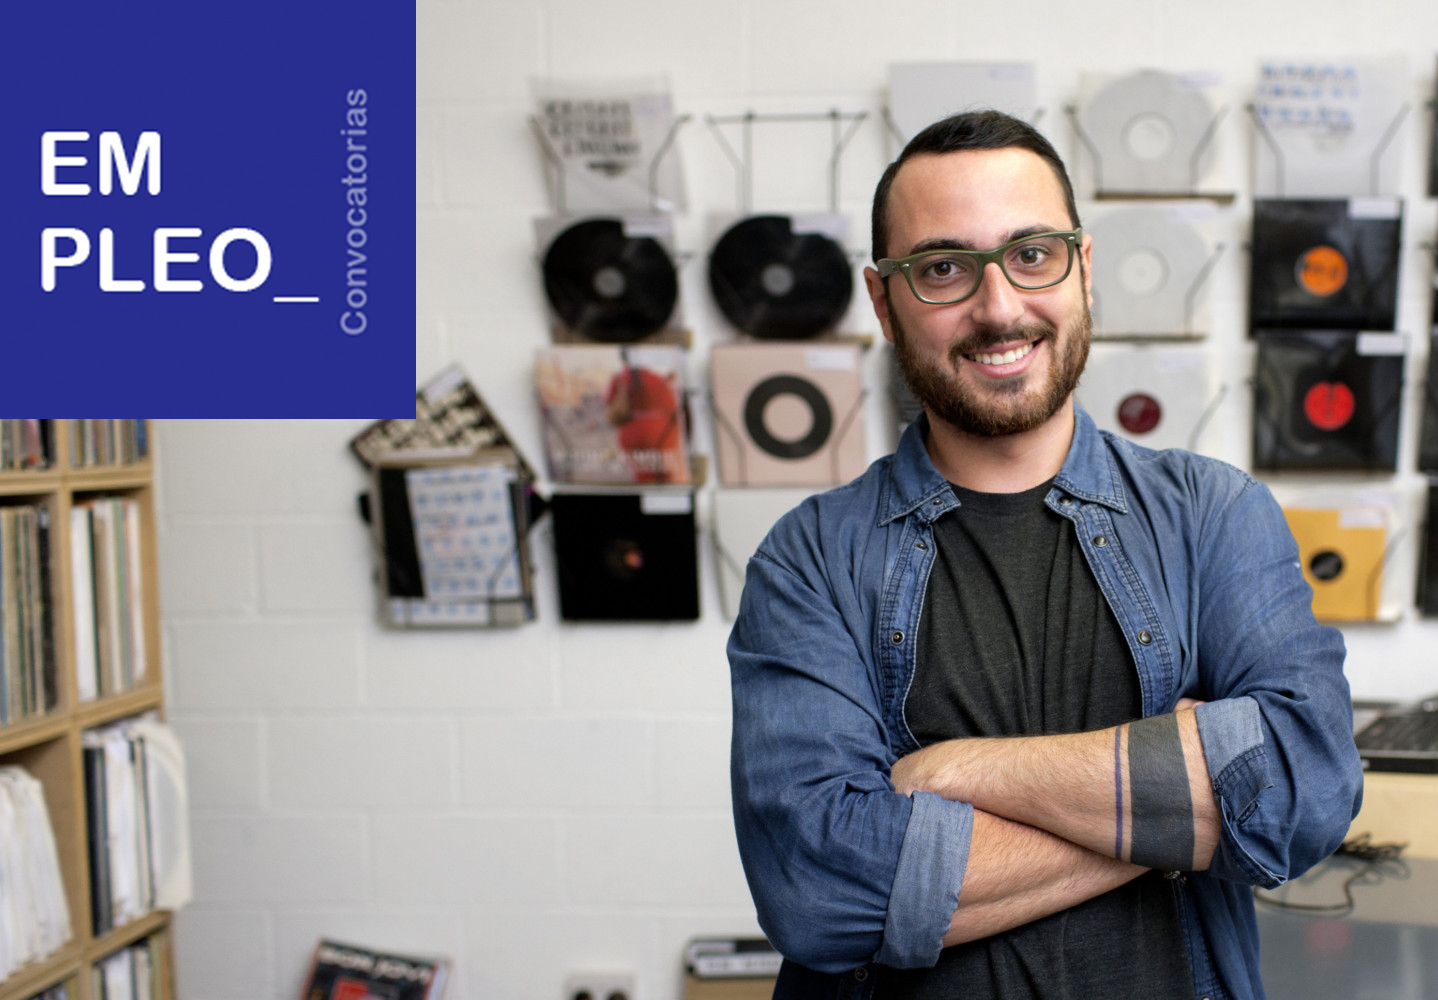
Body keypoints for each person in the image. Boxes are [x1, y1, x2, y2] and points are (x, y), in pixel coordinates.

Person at [727, 110, 1363, 1000]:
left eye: (1032, 254)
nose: (999, 308)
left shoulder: (1213, 513)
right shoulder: (809, 561)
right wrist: (1184, 812)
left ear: (1084, 269)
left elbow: (1306, 793)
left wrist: (960, 773)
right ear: (882, 301)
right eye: (943, 268)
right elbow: (819, 891)